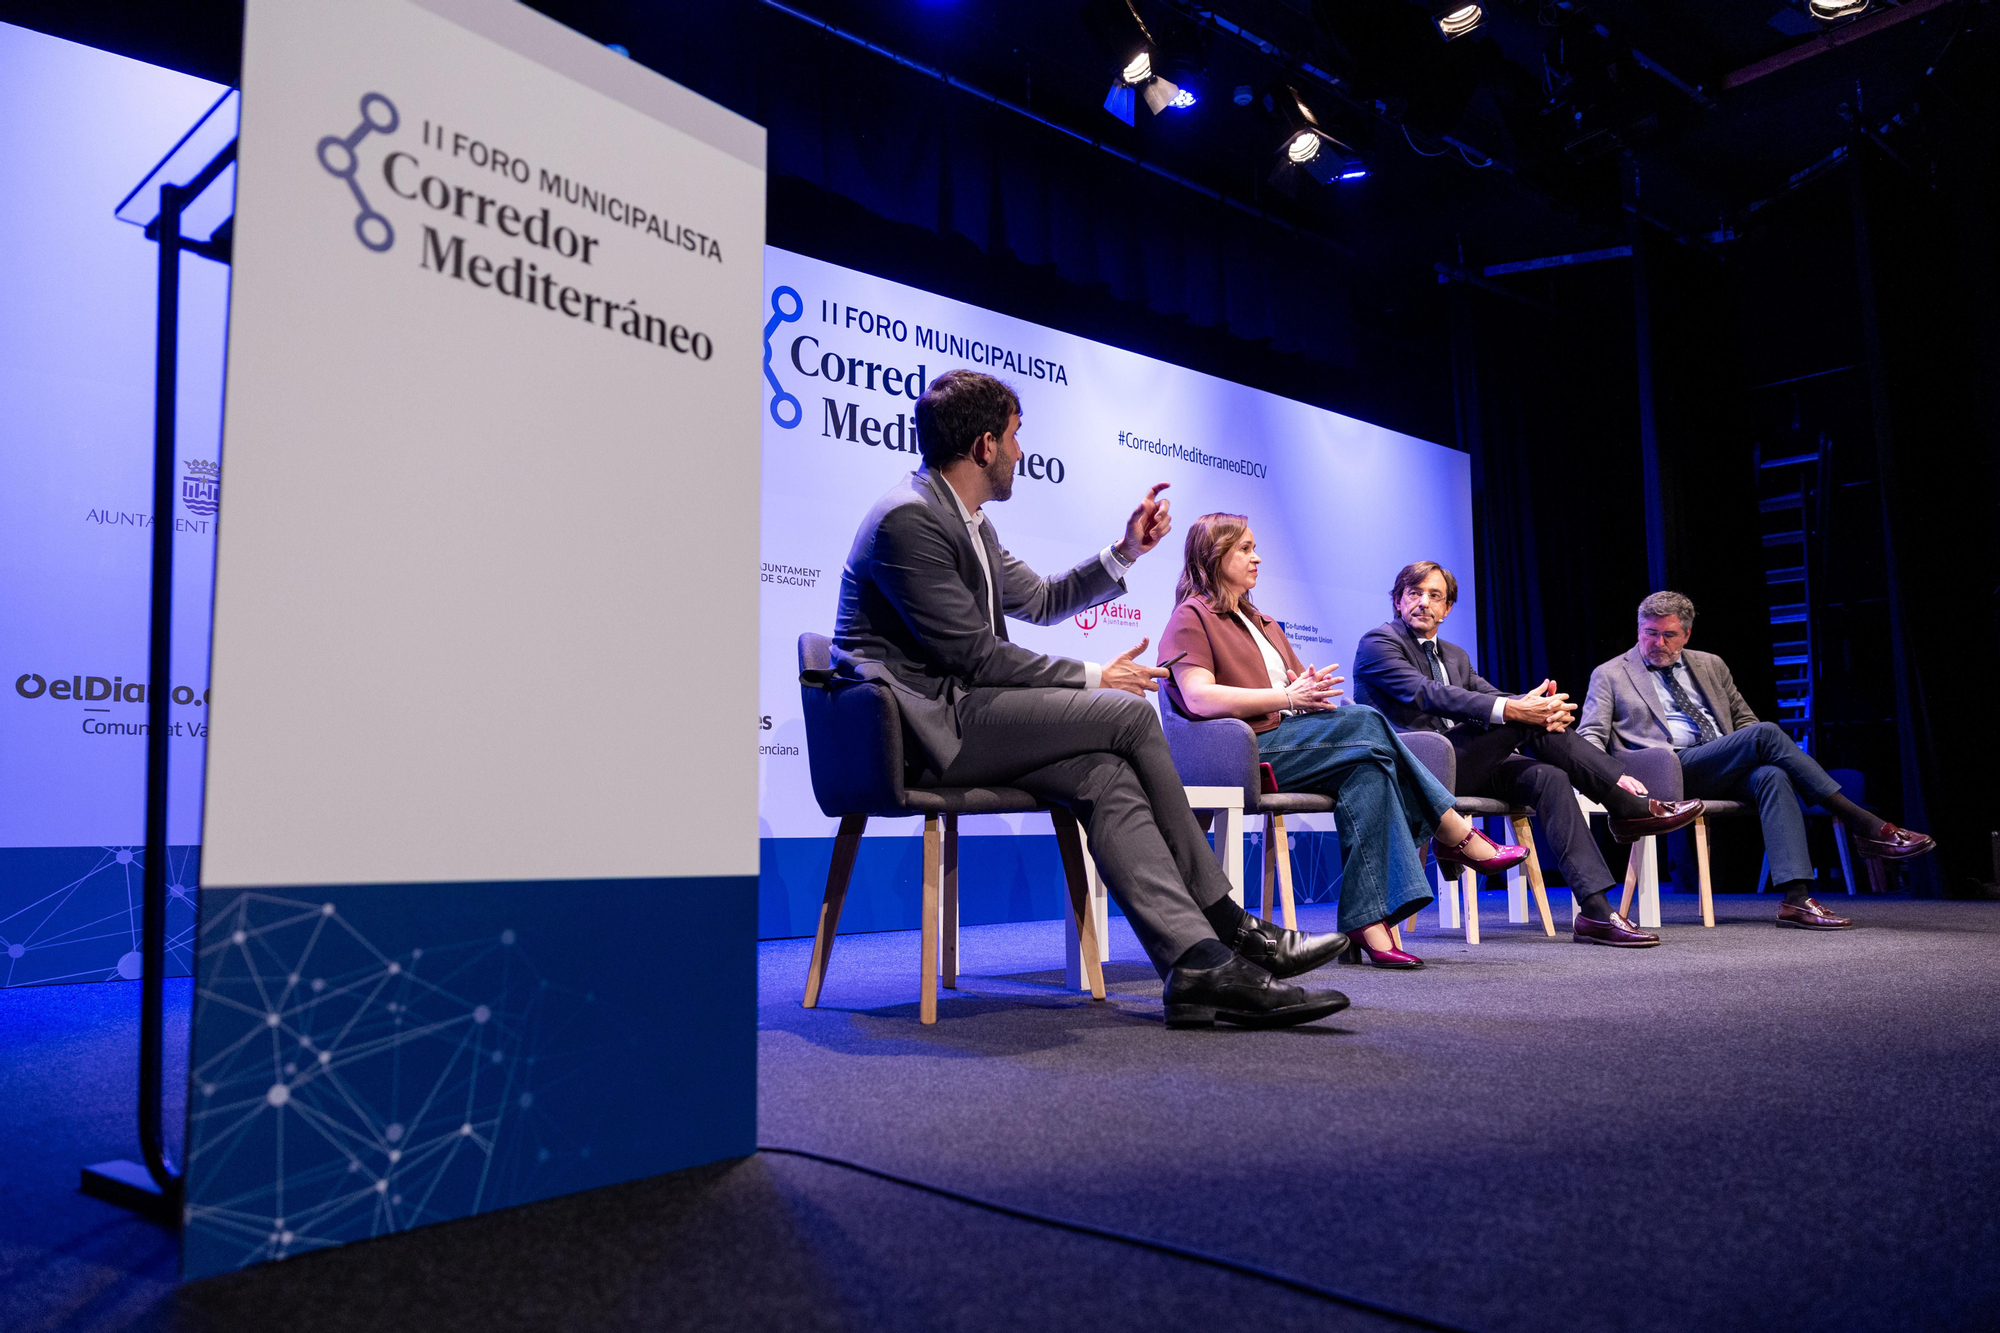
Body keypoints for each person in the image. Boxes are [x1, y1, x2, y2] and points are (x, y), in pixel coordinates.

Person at [830, 370, 1350, 1027]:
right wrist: (1099, 677)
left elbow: (1043, 598)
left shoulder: (966, 519)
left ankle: (1195, 963)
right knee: (1127, 711)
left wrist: (1128, 550)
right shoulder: (910, 519)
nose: (1023, 451)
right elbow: (977, 657)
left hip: (964, 715)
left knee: (1103, 775)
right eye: (1017, 437)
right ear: (986, 445)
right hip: (919, 732)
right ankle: (1229, 920)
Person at [1158, 515, 1530, 970]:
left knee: (1369, 771)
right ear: (1214, 556)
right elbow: (1197, 696)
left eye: (1256, 547)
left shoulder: (1262, 621)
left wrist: (1307, 693)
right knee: (1368, 720)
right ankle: (1453, 831)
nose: (1257, 558)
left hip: (1291, 737)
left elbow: (1295, 686)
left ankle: (1366, 923)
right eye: (1244, 549)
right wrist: (1286, 696)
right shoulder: (1192, 615)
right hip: (1246, 749)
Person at [1352, 561, 1704, 948]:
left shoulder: (1454, 655)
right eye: (1414, 593)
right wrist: (1521, 711)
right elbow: (1429, 694)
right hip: (1419, 768)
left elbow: (1488, 694)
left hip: (1467, 762)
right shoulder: (1378, 643)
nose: (1423, 603)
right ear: (1398, 601)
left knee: (1549, 776)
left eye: (1434, 595)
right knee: (1518, 718)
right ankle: (1626, 803)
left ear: (1448, 607)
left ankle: (1596, 913)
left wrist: (1542, 708)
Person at [1578, 590, 1935, 929]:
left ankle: (1796, 899)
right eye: (1649, 634)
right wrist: (1613, 778)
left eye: (1668, 635)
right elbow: (1589, 736)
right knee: (1765, 733)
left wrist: (1744, 749)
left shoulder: (1711, 665)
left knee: (1771, 775)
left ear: (1686, 634)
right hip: (1663, 769)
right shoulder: (1610, 674)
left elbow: (1743, 722)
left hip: (1719, 762)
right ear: (1639, 630)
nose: (1658, 644)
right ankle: (1863, 823)